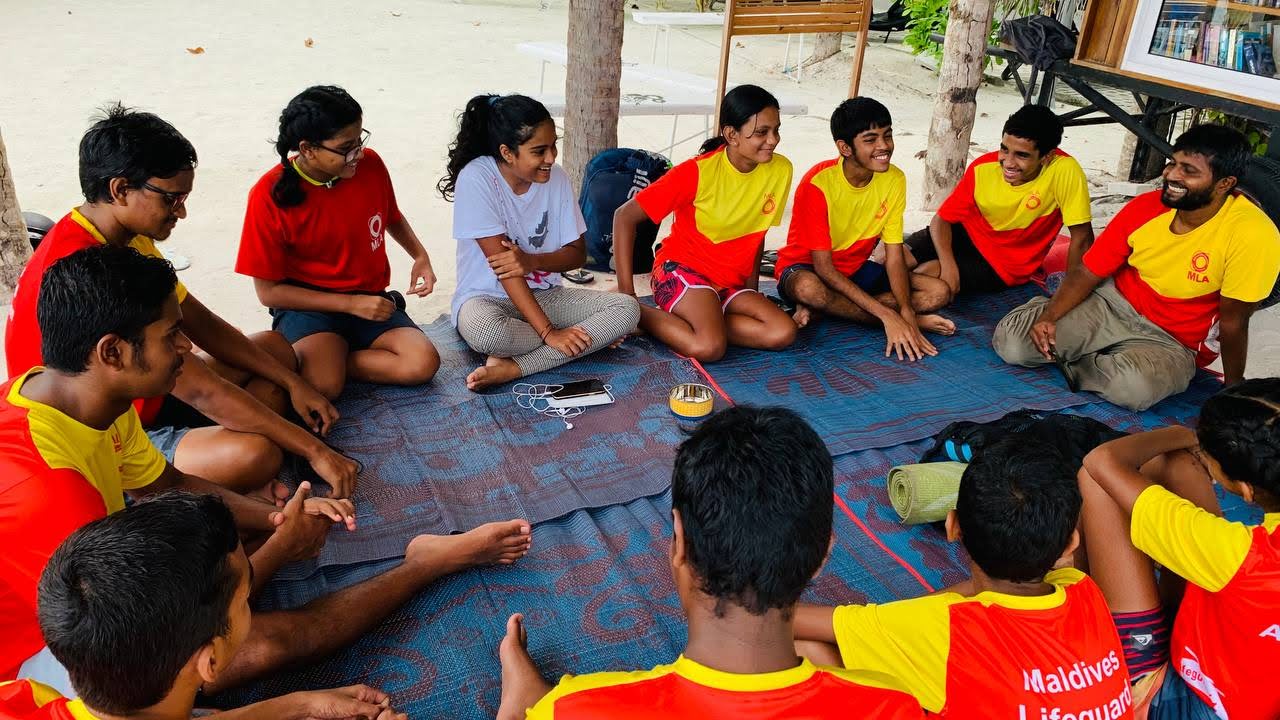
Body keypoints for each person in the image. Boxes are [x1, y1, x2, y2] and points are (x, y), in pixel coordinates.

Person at [0, 245, 533, 693]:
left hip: (95, 591)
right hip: (43, 658)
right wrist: (284, 545)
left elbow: (167, 484)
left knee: (228, 549)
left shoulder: (80, 400)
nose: (187, 347)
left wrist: (273, 518)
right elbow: (140, 636)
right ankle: (423, 565)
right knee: (270, 638)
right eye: (170, 337)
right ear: (112, 352)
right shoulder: (49, 489)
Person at [3, 104, 357, 499]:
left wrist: (292, 383)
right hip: (108, 430)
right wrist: (316, 450)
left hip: (140, 391)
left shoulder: (117, 235)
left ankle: (235, 461)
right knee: (257, 453)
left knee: (275, 353)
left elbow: (201, 325)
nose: (182, 212)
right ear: (121, 189)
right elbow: (202, 390)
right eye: (172, 199)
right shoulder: (97, 273)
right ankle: (203, 479)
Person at [496, 406, 924, 719]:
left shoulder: (582, 707)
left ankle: (524, 702)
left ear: (679, 540)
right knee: (819, 653)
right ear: (822, 556)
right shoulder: (893, 703)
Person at [793, 436, 1134, 719]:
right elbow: (981, 591)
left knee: (806, 653)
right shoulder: (1082, 589)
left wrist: (886, 622)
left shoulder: (948, 629)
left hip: (933, 638)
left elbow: (793, 622)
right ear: (1069, 547)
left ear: (952, 525)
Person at [0, 492, 407, 720]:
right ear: (210, 663)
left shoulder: (25, 697)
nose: (252, 601)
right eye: (245, 600)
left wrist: (299, 704)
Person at [993, 124, 1280, 411]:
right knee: (1014, 345)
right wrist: (1050, 315)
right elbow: (1088, 270)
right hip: (1111, 304)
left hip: (1173, 339)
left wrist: (1233, 390)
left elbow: (1234, 323)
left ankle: (1089, 354)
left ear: (1224, 184)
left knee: (1133, 391)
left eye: (1189, 171)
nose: (1172, 176)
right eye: (1173, 164)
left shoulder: (1254, 236)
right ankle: (1096, 353)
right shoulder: (1147, 206)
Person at [1078, 378, 1280, 719]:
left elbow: (1102, 462)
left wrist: (1188, 435)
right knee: (1174, 466)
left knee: (1100, 485)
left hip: (1191, 702)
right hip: (1250, 684)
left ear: (1246, 490)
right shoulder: (1237, 552)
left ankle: (1081, 612)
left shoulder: (1239, 553)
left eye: (1211, 458)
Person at [237, 85, 441, 400]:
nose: (357, 153)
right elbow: (268, 292)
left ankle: (331, 357)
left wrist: (420, 255)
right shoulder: (268, 195)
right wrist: (350, 304)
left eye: (360, 140)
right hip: (308, 307)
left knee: (422, 363)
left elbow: (391, 216)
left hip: (369, 297)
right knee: (324, 387)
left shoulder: (369, 165)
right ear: (307, 149)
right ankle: (324, 358)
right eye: (346, 147)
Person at [438, 93, 640, 390]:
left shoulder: (555, 178)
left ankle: (515, 368)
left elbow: (576, 255)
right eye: (539, 151)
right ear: (507, 153)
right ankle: (583, 339)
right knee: (487, 335)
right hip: (484, 300)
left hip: (545, 295)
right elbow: (506, 271)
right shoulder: (477, 178)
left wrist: (532, 261)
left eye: (553, 146)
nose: (551, 158)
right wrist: (549, 332)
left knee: (627, 310)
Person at [612, 84, 797, 362]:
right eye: (762, 132)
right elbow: (624, 217)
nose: (773, 140)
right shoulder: (697, 172)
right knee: (708, 348)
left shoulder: (781, 170)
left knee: (782, 332)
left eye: (776, 129)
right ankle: (635, 314)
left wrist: (752, 291)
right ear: (731, 134)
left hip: (729, 282)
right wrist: (628, 296)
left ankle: (695, 325)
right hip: (681, 271)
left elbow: (758, 234)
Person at [775, 97, 954, 362]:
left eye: (887, 135)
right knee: (809, 289)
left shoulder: (894, 179)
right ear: (845, 147)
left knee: (938, 292)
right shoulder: (818, 183)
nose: (884, 146)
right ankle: (871, 317)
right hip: (805, 268)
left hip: (855, 270)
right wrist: (889, 315)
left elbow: (894, 253)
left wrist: (906, 311)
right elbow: (823, 267)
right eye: (870, 140)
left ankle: (827, 308)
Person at [906, 104, 1094, 296]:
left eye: (1022, 155)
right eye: (1005, 149)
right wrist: (949, 266)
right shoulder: (982, 167)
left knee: (930, 279)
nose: (1008, 162)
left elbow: (1082, 237)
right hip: (965, 234)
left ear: (1047, 156)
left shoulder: (1064, 171)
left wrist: (1071, 292)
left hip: (1005, 263)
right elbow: (942, 219)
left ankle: (886, 310)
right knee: (891, 258)